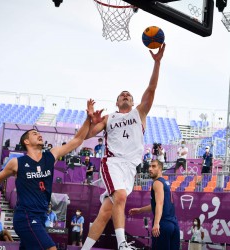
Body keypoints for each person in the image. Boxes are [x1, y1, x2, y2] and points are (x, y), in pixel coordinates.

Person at [81, 43, 165, 250]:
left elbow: (151, 89)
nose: (125, 96)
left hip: (130, 168)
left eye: (128, 95)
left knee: (106, 212)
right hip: (113, 162)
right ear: (117, 103)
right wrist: (90, 119)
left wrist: (157, 63)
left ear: (134, 101)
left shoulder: (140, 113)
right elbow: (87, 135)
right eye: (122, 95)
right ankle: (122, 245)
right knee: (119, 196)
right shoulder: (109, 118)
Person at [0, 99, 95, 250]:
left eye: (39, 133)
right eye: (34, 134)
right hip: (26, 217)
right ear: (27, 142)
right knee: (51, 248)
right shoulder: (17, 163)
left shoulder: (51, 156)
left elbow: (77, 140)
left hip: (41, 216)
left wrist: (88, 118)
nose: (39, 135)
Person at [129, 160, 180, 250]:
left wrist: (156, 224)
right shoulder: (166, 183)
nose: (150, 169)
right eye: (149, 166)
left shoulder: (157, 183)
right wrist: (140, 210)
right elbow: (157, 204)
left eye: (153, 166)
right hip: (174, 225)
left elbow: (159, 204)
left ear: (160, 169)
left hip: (163, 224)